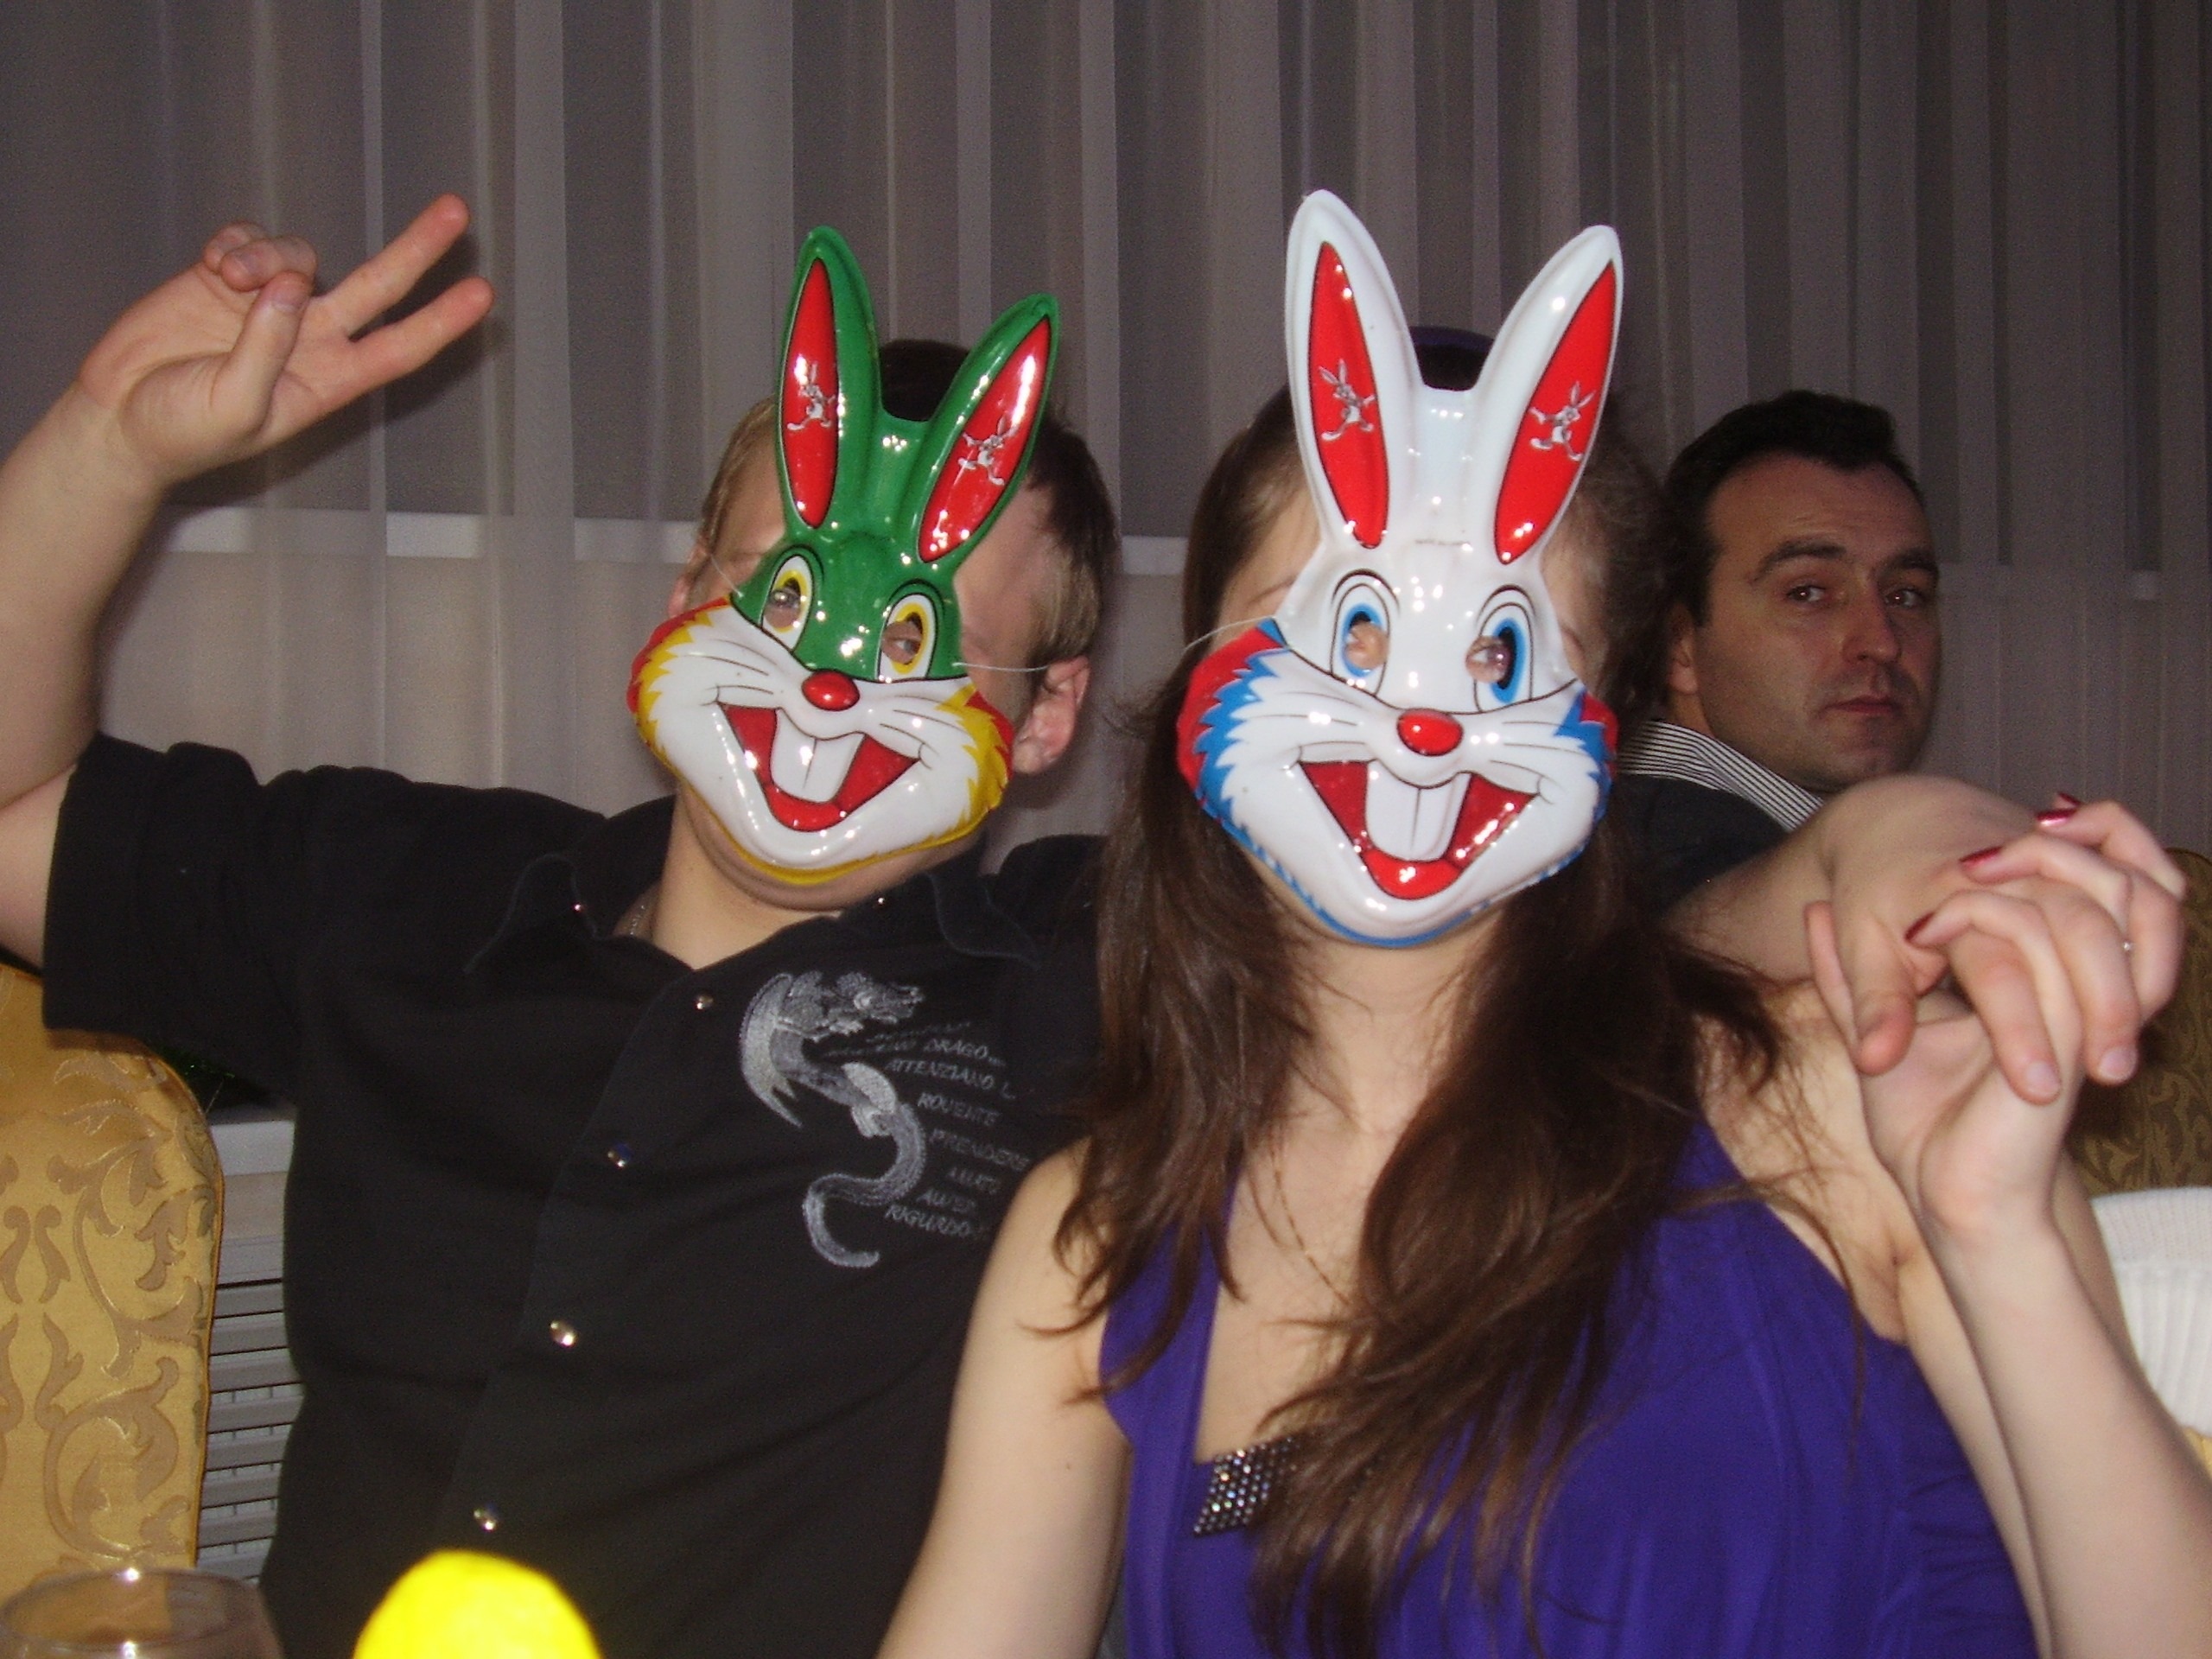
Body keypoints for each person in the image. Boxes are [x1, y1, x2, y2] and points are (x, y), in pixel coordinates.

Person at [877, 195, 2210, 1659]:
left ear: (1604, 723)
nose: (1418, 717)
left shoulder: (1834, 1106)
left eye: (1503, 648)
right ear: (1202, 673)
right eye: (1350, 627)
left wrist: (1999, 1240)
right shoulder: (1096, 1243)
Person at [0, 200, 1116, 1659]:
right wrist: (108, 445)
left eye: (914, 637)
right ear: (685, 596)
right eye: (780, 595)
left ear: (1047, 714)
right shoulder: (402, 889)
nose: (825, 684)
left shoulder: (1079, 980)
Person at [1611, 391, 1941, 906]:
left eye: (1906, 595)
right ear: (1678, 645)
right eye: (1807, 593)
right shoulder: (1670, 851)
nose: (1882, 642)